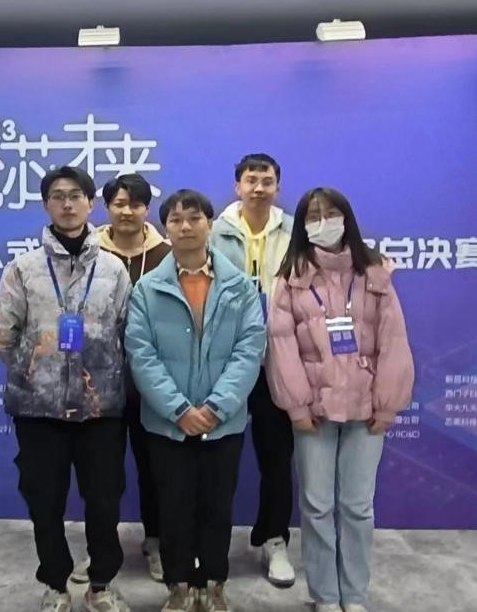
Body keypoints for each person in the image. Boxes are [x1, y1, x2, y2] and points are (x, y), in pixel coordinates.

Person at [0, 166, 135, 612]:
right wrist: (37, 372)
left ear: (91, 203)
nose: (67, 204)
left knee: (104, 502)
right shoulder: (23, 268)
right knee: (44, 502)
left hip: (101, 408)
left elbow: (127, 331)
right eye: (57, 196)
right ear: (46, 205)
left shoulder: (113, 268)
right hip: (39, 410)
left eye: (76, 195)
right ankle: (55, 585)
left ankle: (101, 585)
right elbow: (2, 333)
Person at [264, 187, 415, 612]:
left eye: (331, 213)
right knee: (316, 506)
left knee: (357, 507)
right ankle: (326, 596)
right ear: (302, 226)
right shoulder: (291, 277)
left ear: (347, 218)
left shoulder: (374, 273)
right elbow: (280, 344)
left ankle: (355, 595)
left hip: (367, 409)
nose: (323, 223)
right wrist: (297, 405)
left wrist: (388, 405)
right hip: (313, 411)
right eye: (313, 216)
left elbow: (394, 341)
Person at [126, 189, 266, 612]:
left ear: (210, 224)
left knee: (217, 508)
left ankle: (214, 584)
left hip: (223, 422)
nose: (185, 227)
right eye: (175, 219)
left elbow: (250, 349)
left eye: (194, 218)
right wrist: (179, 410)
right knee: (173, 508)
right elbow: (141, 354)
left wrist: (217, 407)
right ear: (165, 228)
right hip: (167, 424)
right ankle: (179, 586)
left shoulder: (239, 286)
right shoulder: (147, 289)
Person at [71, 174, 172, 585]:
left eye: (135, 204)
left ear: (147, 209)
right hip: (98, 383)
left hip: (154, 382)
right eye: (118, 203)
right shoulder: (87, 252)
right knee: (102, 474)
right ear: (106, 207)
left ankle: (158, 542)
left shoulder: (167, 254)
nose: (127, 211)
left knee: (156, 468)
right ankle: (100, 552)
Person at [208, 153, 297, 588]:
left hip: (278, 361)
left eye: (267, 180)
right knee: (215, 460)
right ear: (237, 186)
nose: (258, 188)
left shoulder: (297, 232)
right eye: (251, 180)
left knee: (277, 459)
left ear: (277, 186)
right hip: (225, 363)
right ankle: (209, 543)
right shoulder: (214, 231)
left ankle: (273, 538)